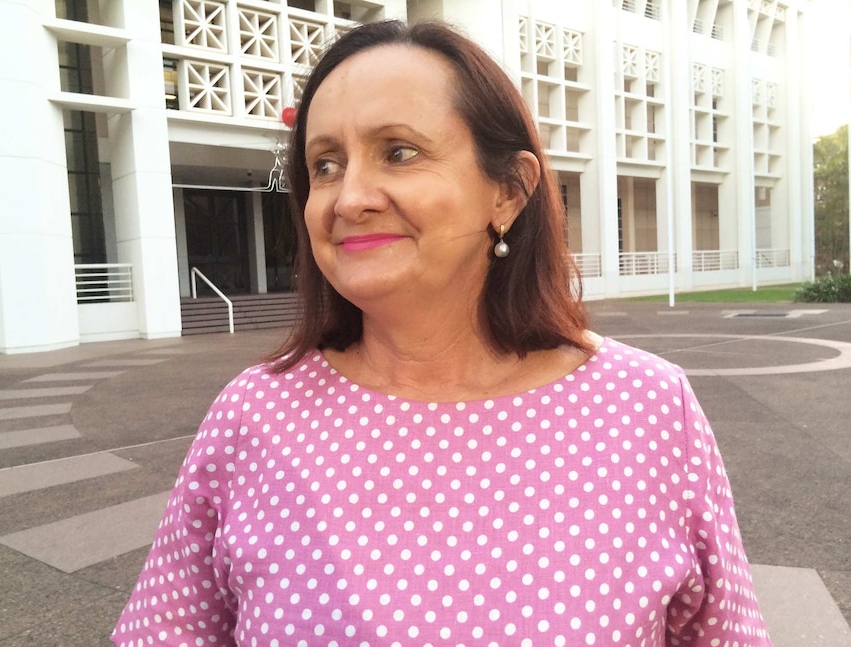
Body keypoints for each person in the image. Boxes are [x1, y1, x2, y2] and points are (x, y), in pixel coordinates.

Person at [113, 19, 772, 647]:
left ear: (509, 192)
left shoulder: (650, 408)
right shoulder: (254, 418)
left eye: (398, 153)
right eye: (326, 164)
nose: (350, 198)